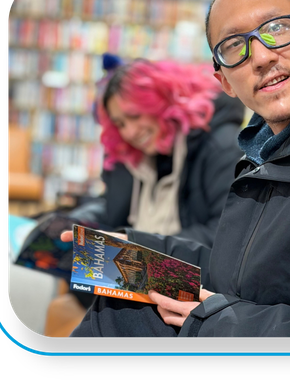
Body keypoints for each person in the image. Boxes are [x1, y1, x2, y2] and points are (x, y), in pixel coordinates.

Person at [63, 0, 290, 338]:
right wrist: (129, 247)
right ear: (225, 82)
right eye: (234, 46)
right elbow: (236, 270)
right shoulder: (266, 150)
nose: (261, 56)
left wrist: (213, 322)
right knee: (120, 303)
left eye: (277, 29)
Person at [44, 57, 245, 336]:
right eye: (119, 123)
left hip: (188, 286)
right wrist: (74, 221)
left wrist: (141, 247)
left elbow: (223, 235)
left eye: (135, 116)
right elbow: (111, 206)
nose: (129, 132)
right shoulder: (134, 157)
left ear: (163, 104)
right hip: (137, 277)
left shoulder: (220, 146)